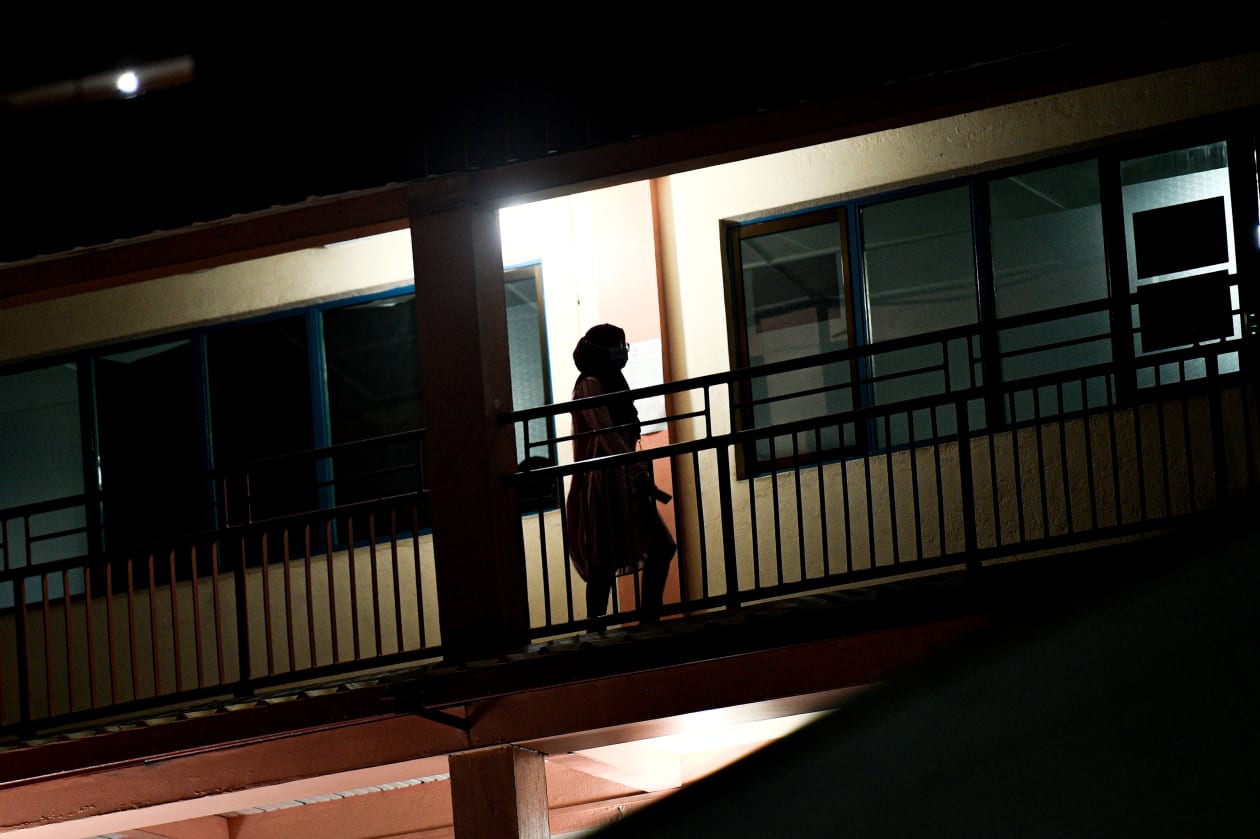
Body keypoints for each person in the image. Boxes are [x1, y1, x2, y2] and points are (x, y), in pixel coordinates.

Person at [565, 323, 676, 623]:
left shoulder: (614, 380)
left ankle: (648, 620)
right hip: (603, 482)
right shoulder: (589, 384)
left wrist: (633, 470)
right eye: (619, 346)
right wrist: (636, 469)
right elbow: (606, 434)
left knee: (661, 546)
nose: (623, 353)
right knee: (603, 564)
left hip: (624, 477)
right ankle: (596, 631)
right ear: (602, 351)